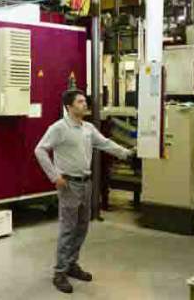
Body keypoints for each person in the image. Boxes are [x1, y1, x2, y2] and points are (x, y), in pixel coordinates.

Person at [34, 89, 134, 294]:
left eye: (84, 101)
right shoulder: (59, 128)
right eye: (80, 102)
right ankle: (60, 272)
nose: (85, 104)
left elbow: (105, 143)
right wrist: (54, 176)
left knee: (82, 227)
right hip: (69, 185)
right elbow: (40, 150)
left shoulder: (88, 128)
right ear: (69, 107)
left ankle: (71, 264)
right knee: (68, 229)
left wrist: (127, 153)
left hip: (86, 183)